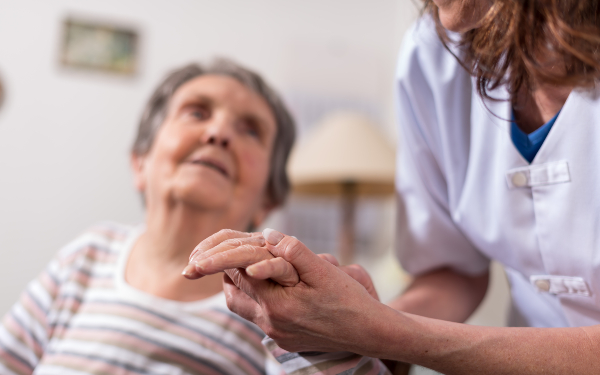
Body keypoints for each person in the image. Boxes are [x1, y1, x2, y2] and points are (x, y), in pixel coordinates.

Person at [185, 0, 600, 373]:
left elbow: (392, 332)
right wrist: (352, 323)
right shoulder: (433, 53)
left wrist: (382, 331)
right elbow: (450, 270)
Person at [0, 59, 390, 375]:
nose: (219, 132)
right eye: (197, 112)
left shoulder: (276, 307)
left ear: (268, 199)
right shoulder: (86, 256)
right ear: (140, 161)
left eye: (250, 130)